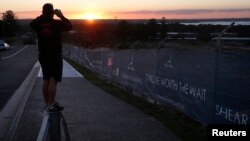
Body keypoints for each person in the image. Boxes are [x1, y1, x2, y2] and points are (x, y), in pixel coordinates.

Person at [30, 3, 72, 111]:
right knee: (53, 79)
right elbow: (69, 26)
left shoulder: (38, 23)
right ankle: (51, 103)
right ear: (52, 12)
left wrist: (42, 16)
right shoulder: (56, 23)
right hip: (55, 54)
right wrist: (61, 16)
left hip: (43, 54)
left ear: (43, 12)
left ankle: (47, 104)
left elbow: (32, 23)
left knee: (46, 79)